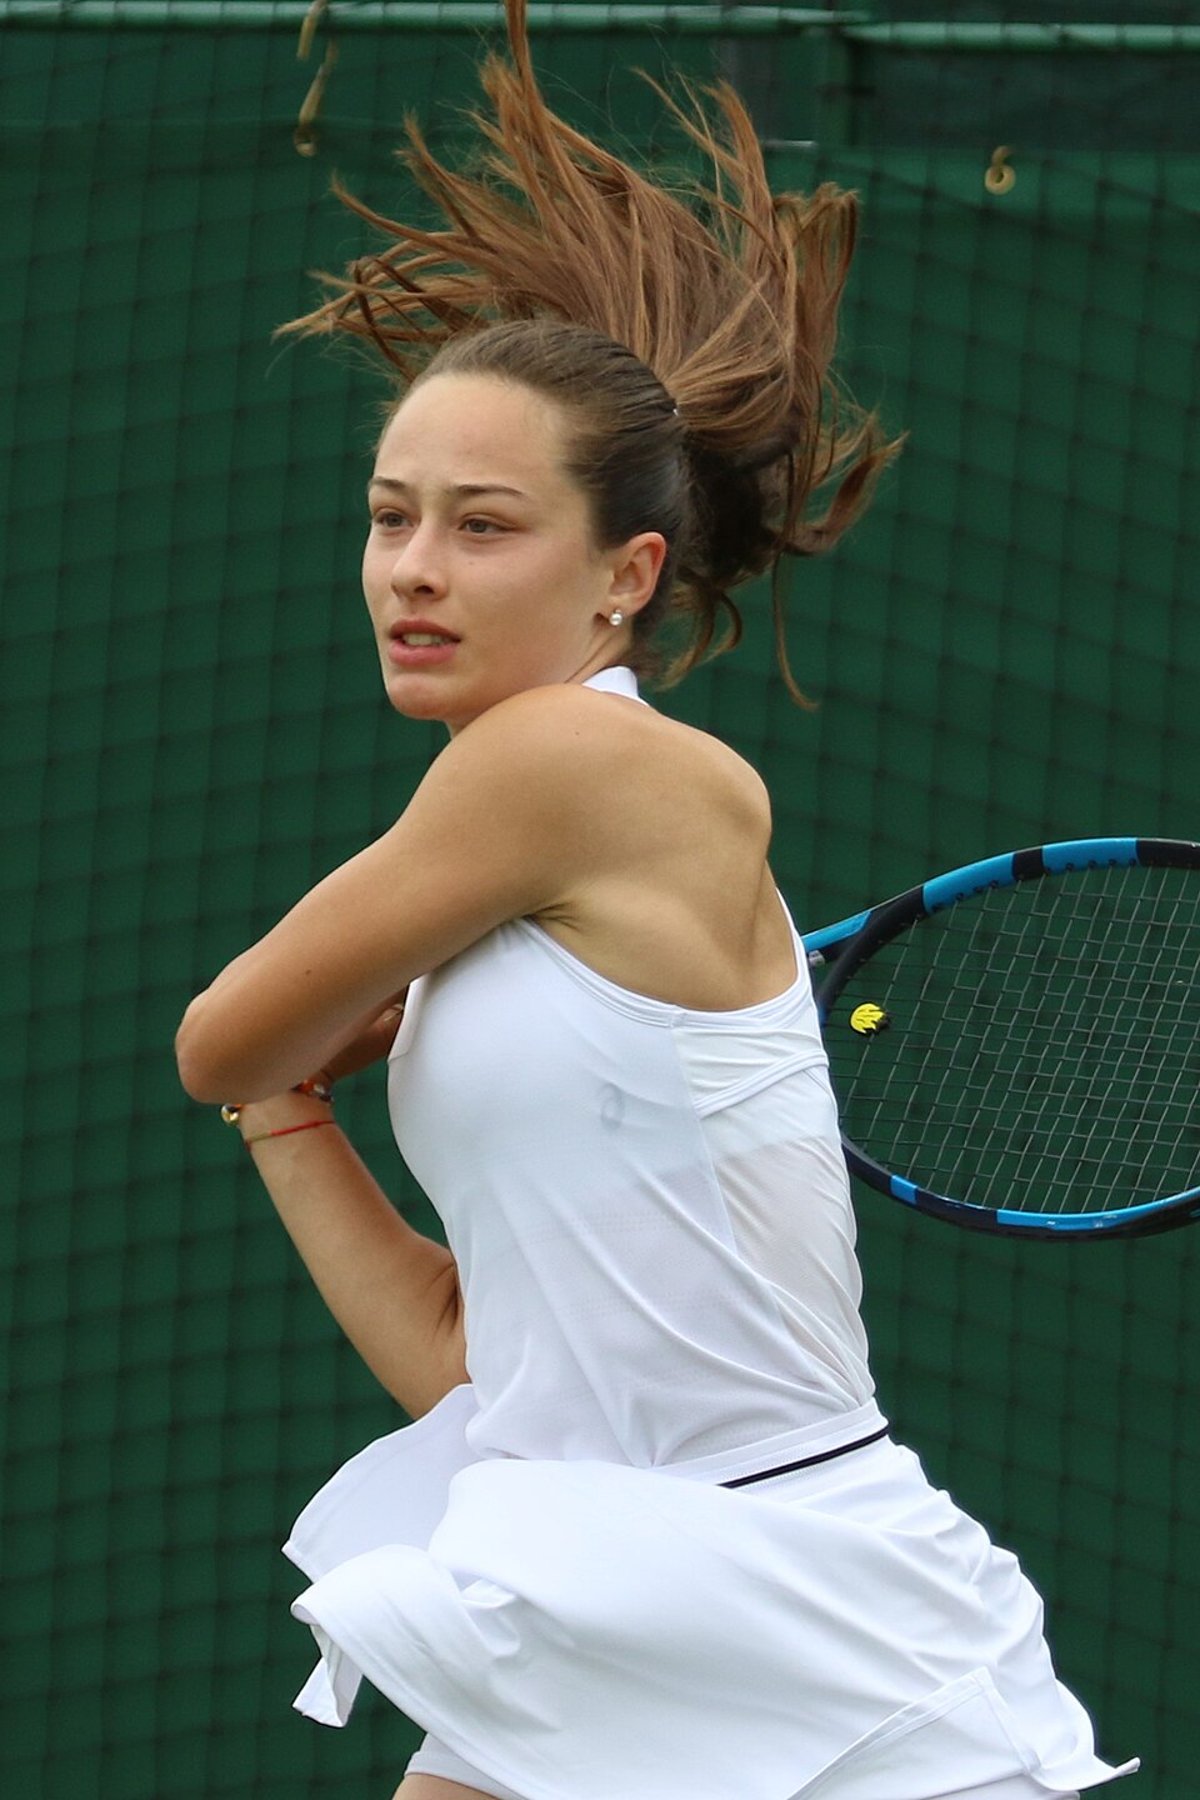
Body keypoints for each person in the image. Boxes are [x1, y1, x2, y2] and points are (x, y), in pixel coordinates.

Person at [175, 5, 1137, 1796]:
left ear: (625, 576)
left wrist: (266, 1058)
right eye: (390, 517)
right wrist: (290, 1113)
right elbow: (478, 1368)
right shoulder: (518, 873)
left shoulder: (569, 764)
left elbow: (213, 1033)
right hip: (592, 1561)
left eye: (482, 526)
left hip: (801, 1593)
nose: (412, 571)